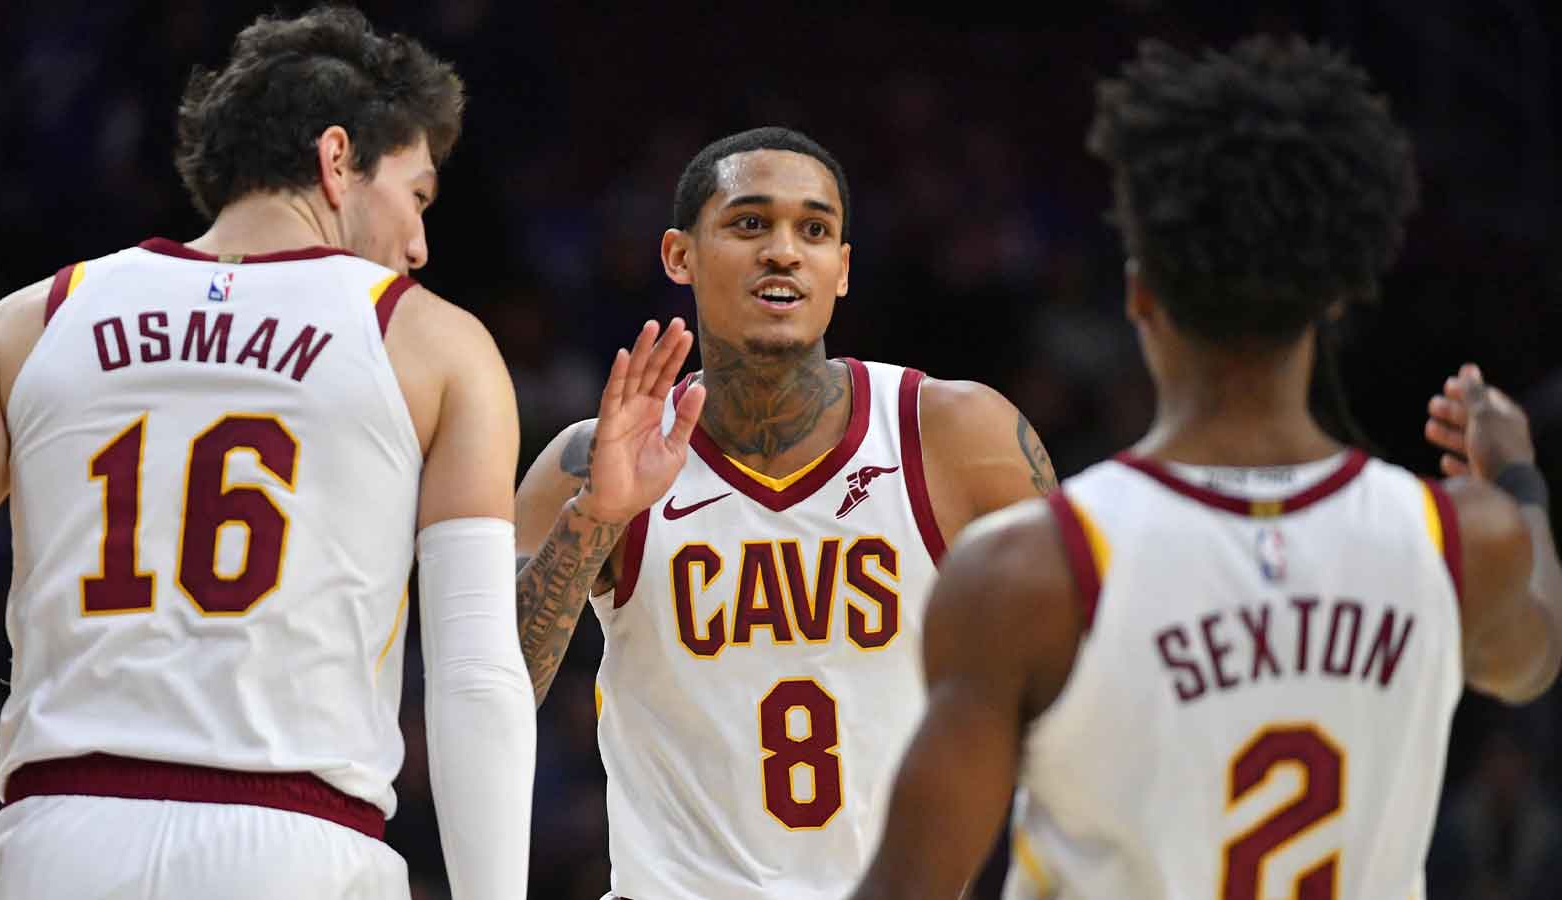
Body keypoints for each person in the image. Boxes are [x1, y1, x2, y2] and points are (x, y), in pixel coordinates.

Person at [847, 35, 1562, 900]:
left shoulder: (1026, 570)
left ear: (1140, 291)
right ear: (1337, 293)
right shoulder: (1462, 540)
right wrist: (1517, 477)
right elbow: (1536, 658)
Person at [0, 8, 534, 898]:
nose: (420, 242)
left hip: (57, 838)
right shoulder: (432, 343)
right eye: (415, 195)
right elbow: (473, 674)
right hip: (297, 844)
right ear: (337, 159)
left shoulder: (26, 324)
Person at [512, 126, 1059, 900]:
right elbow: (487, 694)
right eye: (748, 223)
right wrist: (594, 519)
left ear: (841, 269)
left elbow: (1089, 684)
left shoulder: (959, 436)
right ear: (679, 255)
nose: (783, 251)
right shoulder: (588, 460)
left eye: (815, 229)